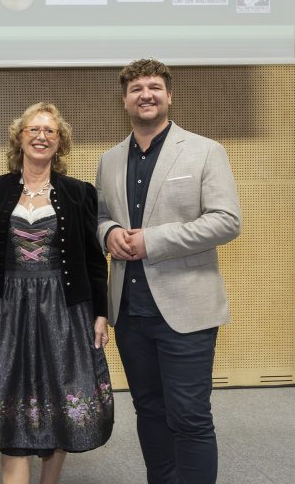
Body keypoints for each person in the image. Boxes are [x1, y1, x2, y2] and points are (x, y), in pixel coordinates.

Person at [96, 58, 241, 484]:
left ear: (169, 95)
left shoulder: (204, 150)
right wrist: (109, 234)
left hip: (186, 312)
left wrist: (151, 240)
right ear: (125, 100)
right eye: (137, 87)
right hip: (132, 313)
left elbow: (226, 221)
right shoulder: (109, 160)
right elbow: (100, 215)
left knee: (190, 416)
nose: (146, 94)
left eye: (155, 86)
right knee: (150, 412)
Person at [0, 102, 113, 484]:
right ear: (19, 138)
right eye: (33, 130)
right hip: (7, 310)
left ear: (60, 142)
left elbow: (92, 258)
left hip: (63, 310)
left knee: (60, 397)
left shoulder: (78, 193)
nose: (41, 136)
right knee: (7, 393)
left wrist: (100, 313)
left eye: (50, 131)